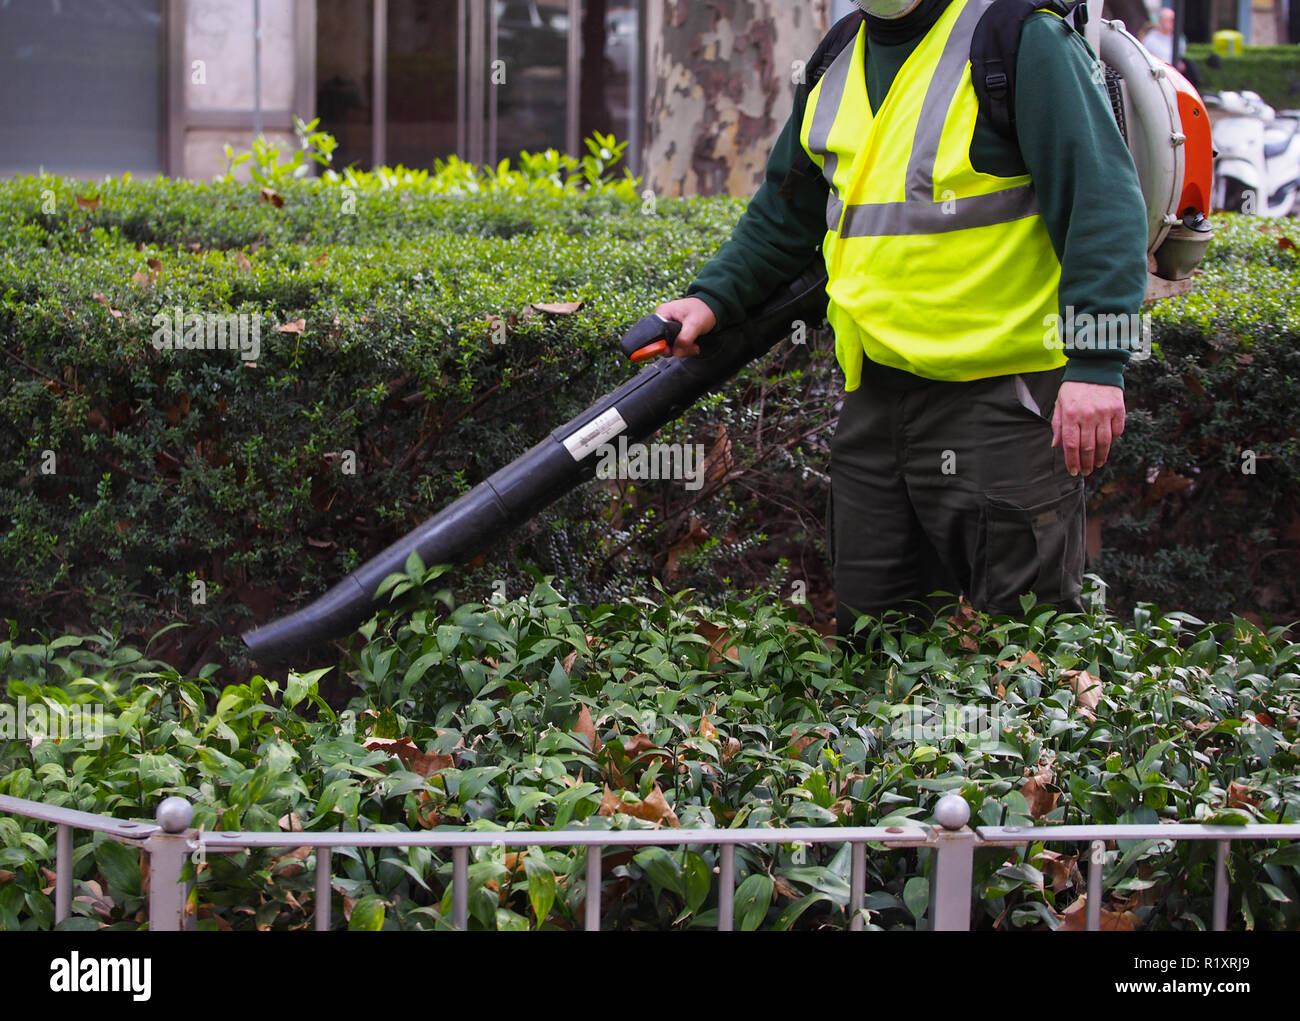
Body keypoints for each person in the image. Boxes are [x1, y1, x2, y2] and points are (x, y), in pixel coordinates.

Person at [651, 0, 1149, 640]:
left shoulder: (1020, 37)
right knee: (880, 647)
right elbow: (785, 214)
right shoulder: (837, 55)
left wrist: (1097, 367)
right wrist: (710, 298)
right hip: (877, 404)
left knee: (1030, 649)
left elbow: (1102, 202)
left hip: (1005, 402)